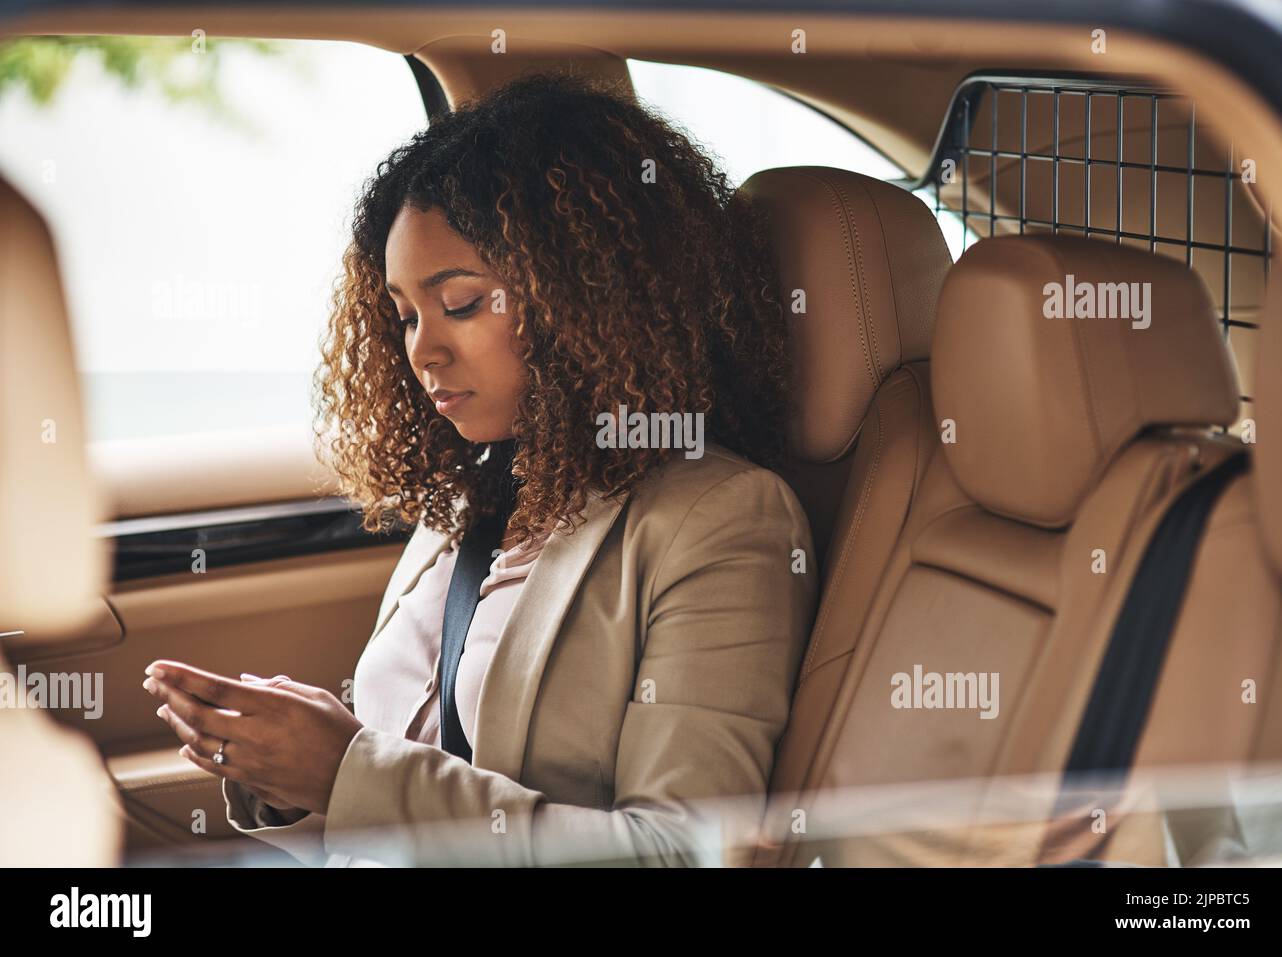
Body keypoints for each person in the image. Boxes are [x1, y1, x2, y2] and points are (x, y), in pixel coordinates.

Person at [143, 70, 817, 866]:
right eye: (402, 315)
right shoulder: (471, 498)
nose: (421, 350)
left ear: (585, 297)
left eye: (460, 303)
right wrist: (290, 772)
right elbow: (407, 771)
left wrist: (347, 770)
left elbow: (680, 852)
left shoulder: (725, 521)